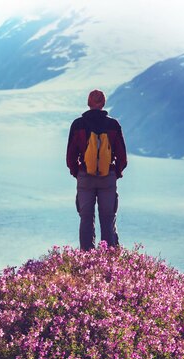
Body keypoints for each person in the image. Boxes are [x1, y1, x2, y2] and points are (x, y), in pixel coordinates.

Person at [66, 89, 127, 250]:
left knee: (86, 218)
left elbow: (70, 156)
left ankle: (87, 257)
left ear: (88, 103)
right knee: (107, 218)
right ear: (103, 103)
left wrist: (78, 172)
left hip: (85, 176)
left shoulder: (78, 124)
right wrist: (115, 172)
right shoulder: (113, 125)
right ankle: (109, 258)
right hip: (108, 177)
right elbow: (122, 157)